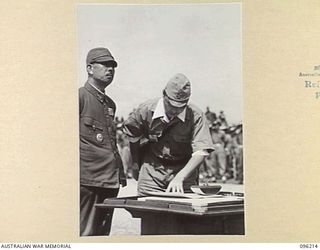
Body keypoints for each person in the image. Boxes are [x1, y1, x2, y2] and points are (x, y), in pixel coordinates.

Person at [123, 73, 214, 195]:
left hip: (184, 173)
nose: (175, 111)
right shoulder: (145, 110)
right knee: (147, 210)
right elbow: (133, 138)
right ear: (164, 95)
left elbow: (201, 152)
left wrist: (180, 177)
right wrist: (134, 165)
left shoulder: (196, 116)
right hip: (152, 173)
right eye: (171, 105)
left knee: (183, 212)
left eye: (180, 107)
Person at [79, 47, 126, 236]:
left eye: (113, 65)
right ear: (90, 68)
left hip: (109, 180)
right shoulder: (80, 97)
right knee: (85, 234)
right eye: (105, 64)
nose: (110, 69)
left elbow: (111, 142)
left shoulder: (110, 104)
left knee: (101, 235)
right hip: (88, 180)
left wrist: (120, 171)